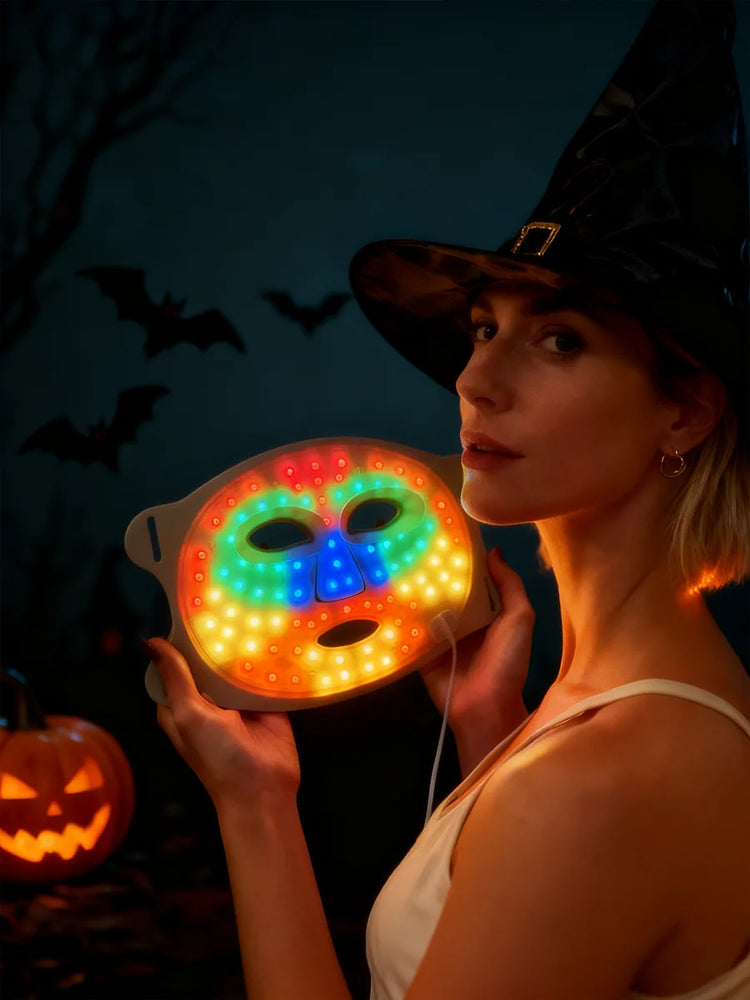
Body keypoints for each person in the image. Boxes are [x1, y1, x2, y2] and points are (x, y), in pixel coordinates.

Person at [141, 1, 750, 997]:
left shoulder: (602, 780)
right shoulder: (623, 717)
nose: (475, 381)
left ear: (682, 412)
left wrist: (254, 806)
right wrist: (491, 727)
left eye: (560, 340)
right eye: (482, 329)